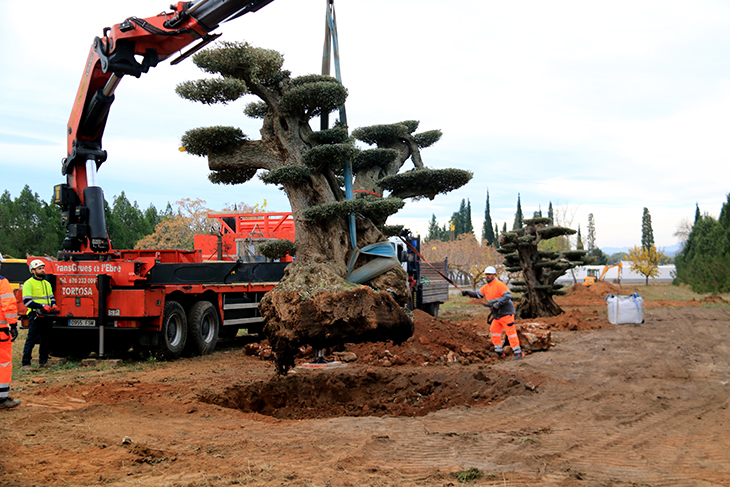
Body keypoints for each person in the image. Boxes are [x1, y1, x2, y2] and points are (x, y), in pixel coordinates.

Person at [462, 266, 523, 360]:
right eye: (486, 274)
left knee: (511, 333)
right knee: (494, 331)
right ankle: (499, 351)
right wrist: (468, 292)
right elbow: (478, 294)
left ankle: (518, 353)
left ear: (494, 275)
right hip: (497, 315)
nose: (487, 276)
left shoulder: (499, 284)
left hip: (506, 313)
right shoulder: (486, 287)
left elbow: (508, 296)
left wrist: (498, 304)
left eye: (489, 274)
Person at [21, 259, 58, 371]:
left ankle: (43, 361)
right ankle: (25, 364)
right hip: (35, 315)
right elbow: (27, 302)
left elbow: (51, 298)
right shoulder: (29, 283)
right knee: (31, 339)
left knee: (45, 339)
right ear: (33, 271)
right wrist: (42, 306)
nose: (42, 270)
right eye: (39, 268)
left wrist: (54, 305)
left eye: (43, 268)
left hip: (46, 315)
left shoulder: (47, 283)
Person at [0, 252, 21, 408]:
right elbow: (8, 305)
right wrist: (13, 325)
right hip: (0, 331)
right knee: (3, 363)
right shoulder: (2, 282)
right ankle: (1, 398)